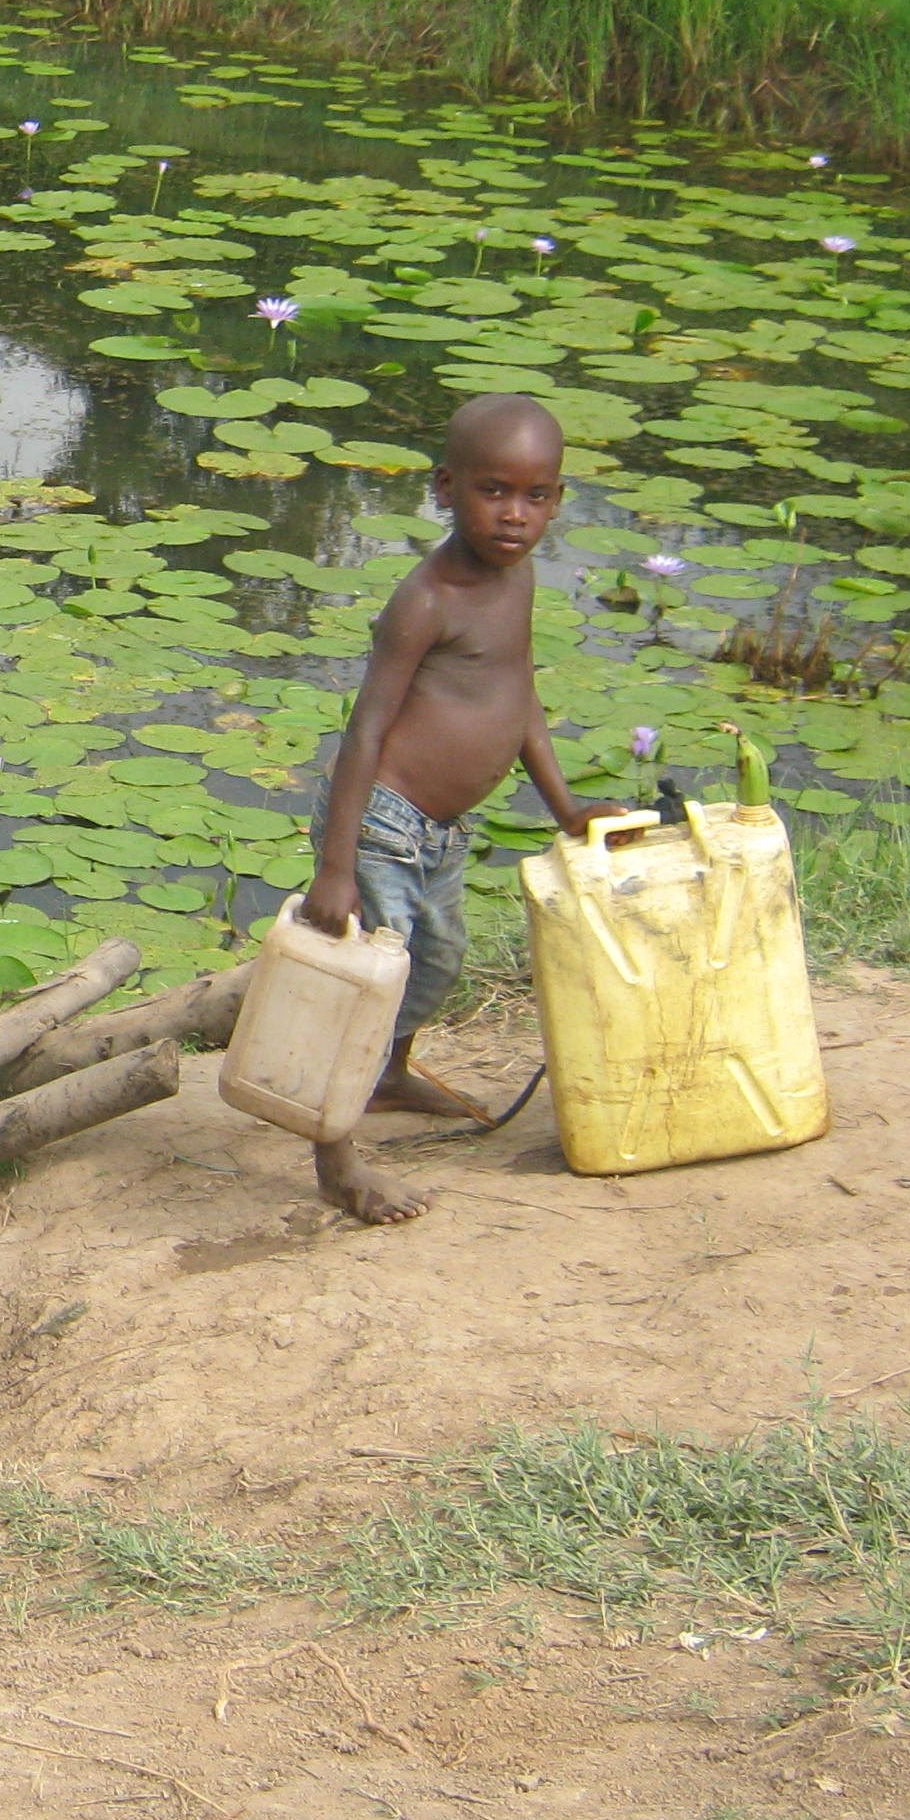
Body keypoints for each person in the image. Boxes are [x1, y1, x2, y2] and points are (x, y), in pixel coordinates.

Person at [299, 391, 613, 1228]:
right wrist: (336, 868)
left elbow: (520, 695)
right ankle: (337, 1160)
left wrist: (566, 807)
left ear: (558, 499)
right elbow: (365, 731)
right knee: (369, 987)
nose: (514, 515)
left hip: (442, 833)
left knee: (436, 962)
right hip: (383, 823)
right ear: (445, 488)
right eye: (493, 490)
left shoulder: (519, 579)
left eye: (535, 495)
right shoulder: (426, 599)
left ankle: (390, 1075)